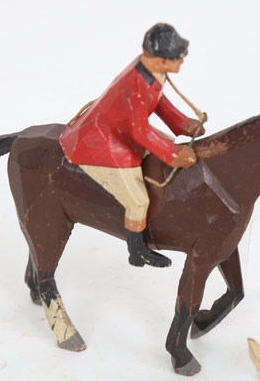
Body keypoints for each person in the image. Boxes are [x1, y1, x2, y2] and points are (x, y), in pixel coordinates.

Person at [59, 23, 205, 268]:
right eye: (177, 57)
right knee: (138, 201)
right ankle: (138, 252)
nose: (181, 61)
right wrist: (173, 155)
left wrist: (182, 124)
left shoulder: (150, 69)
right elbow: (140, 132)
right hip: (101, 140)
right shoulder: (136, 85)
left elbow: (158, 101)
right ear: (159, 59)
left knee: (167, 144)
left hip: (120, 127)